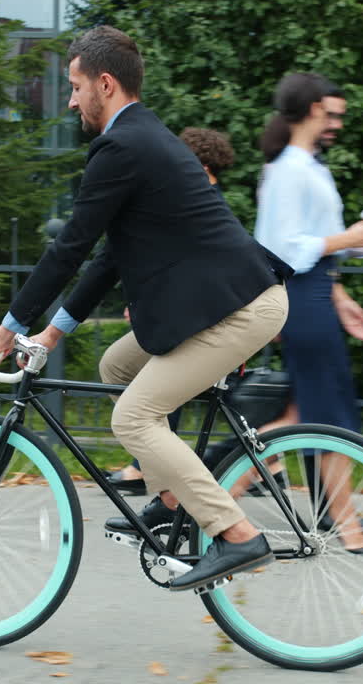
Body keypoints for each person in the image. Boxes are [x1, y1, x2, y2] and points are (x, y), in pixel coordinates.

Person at [0, 26, 293, 592]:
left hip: (240, 309)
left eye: (74, 87)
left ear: (104, 83)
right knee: (118, 368)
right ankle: (171, 500)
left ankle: (237, 534)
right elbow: (104, 259)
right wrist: (49, 336)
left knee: (133, 417)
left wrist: (8, 328)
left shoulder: (123, 147)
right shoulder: (140, 140)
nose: (70, 100)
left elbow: (70, 245)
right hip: (220, 303)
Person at [253, 72, 363, 557]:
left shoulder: (308, 167)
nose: (336, 121)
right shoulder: (288, 169)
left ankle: (207, 490)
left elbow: (321, 243)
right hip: (302, 299)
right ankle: (345, 528)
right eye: (330, 112)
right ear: (309, 111)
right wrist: (351, 240)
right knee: (320, 412)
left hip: (315, 294)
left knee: (314, 411)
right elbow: (281, 247)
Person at [107, 126, 237, 496]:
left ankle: (160, 474)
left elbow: (183, 264)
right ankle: (155, 470)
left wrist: (150, 302)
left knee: (160, 393)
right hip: (190, 313)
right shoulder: (204, 198)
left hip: (196, 319)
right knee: (143, 383)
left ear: (198, 162)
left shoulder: (196, 201)